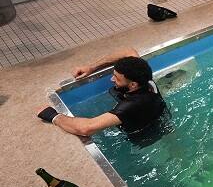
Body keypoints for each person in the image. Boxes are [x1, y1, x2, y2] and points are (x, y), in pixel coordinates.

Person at [37, 49, 167, 137]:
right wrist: (92, 67)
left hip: (143, 134)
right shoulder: (143, 77)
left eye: (116, 78)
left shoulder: (131, 105)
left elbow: (86, 128)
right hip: (156, 114)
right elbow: (128, 51)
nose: (111, 79)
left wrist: (53, 116)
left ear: (133, 84)